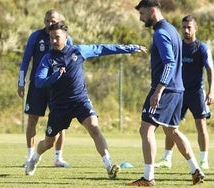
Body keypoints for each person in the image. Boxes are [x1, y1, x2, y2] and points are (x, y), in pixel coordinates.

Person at [25, 21, 147, 178]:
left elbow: (102, 49)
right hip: (59, 106)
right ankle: (34, 159)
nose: (53, 41)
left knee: (94, 128)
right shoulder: (48, 59)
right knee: (49, 142)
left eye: (56, 37)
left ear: (66, 37)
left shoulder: (78, 51)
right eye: (51, 38)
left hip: (80, 100)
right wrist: (54, 76)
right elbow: (39, 81)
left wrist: (130, 48)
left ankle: (109, 166)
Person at [126, 0, 204, 186]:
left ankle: (148, 177)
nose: (140, 18)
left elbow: (169, 63)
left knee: (146, 129)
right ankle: (195, 170)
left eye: (142, 13)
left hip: (165, 90)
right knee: (172, 131)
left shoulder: (161, 33)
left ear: (152, 10)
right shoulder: (171, 30)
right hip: (178, 90)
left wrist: (158, 90)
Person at [155, 15, 213, 170]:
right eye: (183, 27)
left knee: (201, 126)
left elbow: (210, 70)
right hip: (178, 92)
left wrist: (211, 91)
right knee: (170, 125)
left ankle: (203, 159)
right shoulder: (178, 46)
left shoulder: (202, 48)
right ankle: (167, 159)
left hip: (196, 93)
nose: (186, 30)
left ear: (195, 28)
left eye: (189, 27)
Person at [18, 9, 73, 168]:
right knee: (32, 120)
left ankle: (58, 158)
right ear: (44, 21)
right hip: (38, 86)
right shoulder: (36, 36)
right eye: (47, 20)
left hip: (57, 87)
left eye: (53, 20)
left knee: (61, 121)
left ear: (59, 20)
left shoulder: (65, 39)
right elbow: (25, 60)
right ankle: (30, 156)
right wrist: (21, 82)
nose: (50, 23)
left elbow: (72, 63)